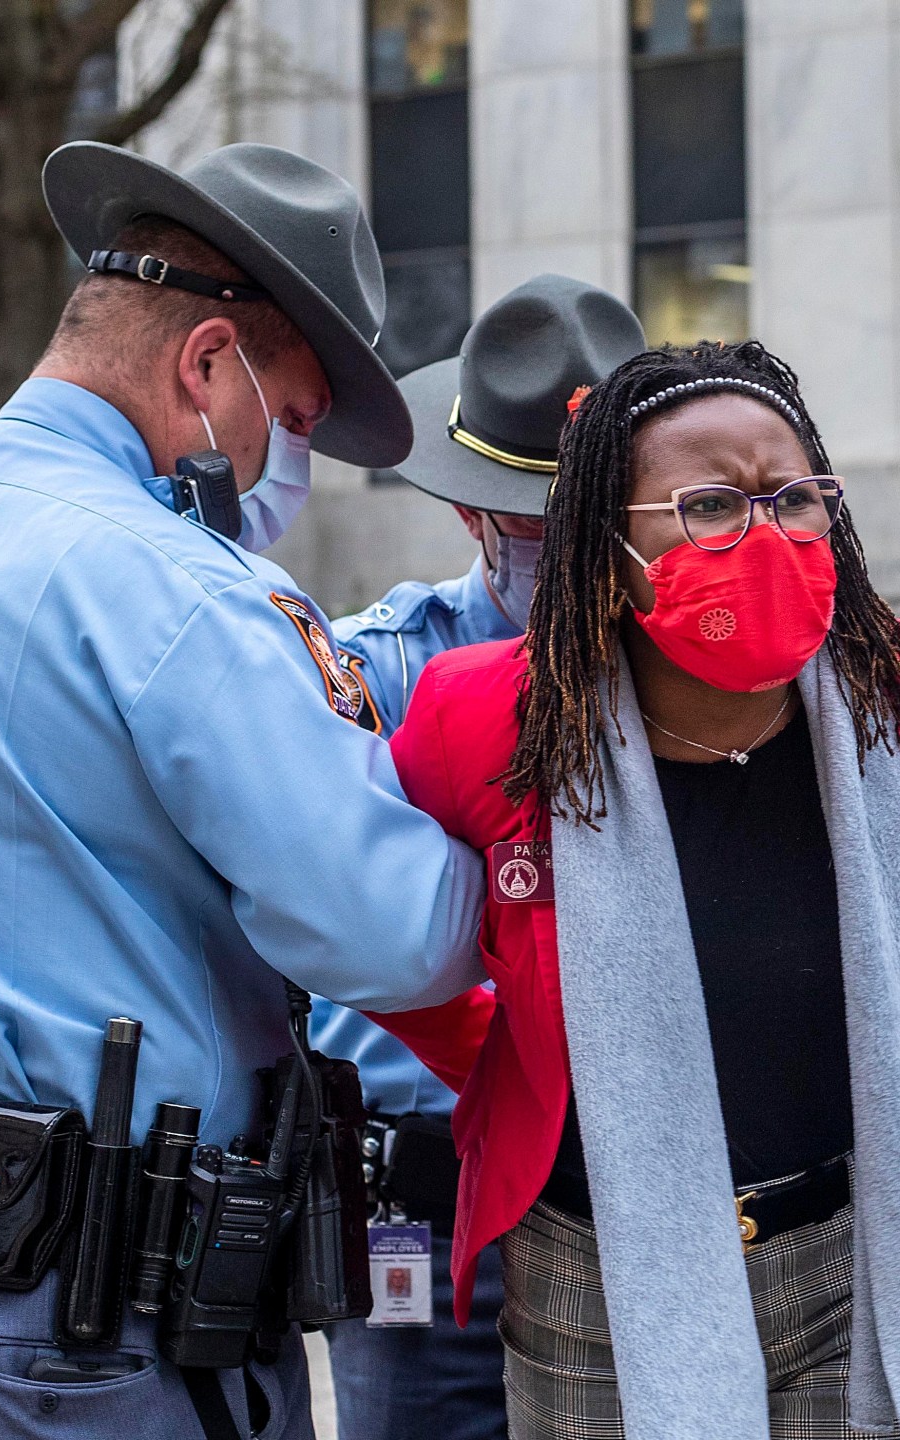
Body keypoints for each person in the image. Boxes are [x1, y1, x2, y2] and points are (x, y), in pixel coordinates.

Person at [0, 141, 488, 1439]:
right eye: (292, 418)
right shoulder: (182, 588)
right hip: (70, 1343)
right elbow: (391, 935)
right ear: (207, 365)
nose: (282, 461)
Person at [365, 342, 900, 1438]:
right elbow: (379, 948)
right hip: (595, 1265)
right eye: (707, 506)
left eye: (795, 497)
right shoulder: (480, 720)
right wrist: (533, 1051)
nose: (763, 533)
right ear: (607, 551)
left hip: (879, 1241)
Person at [310, 274, 645, 1440]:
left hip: (628, 1180)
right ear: (474, 519)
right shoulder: (380, 675)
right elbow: (346, 930)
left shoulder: (695, 682)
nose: (584, 563)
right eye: (546, 534)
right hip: (422, 1181)